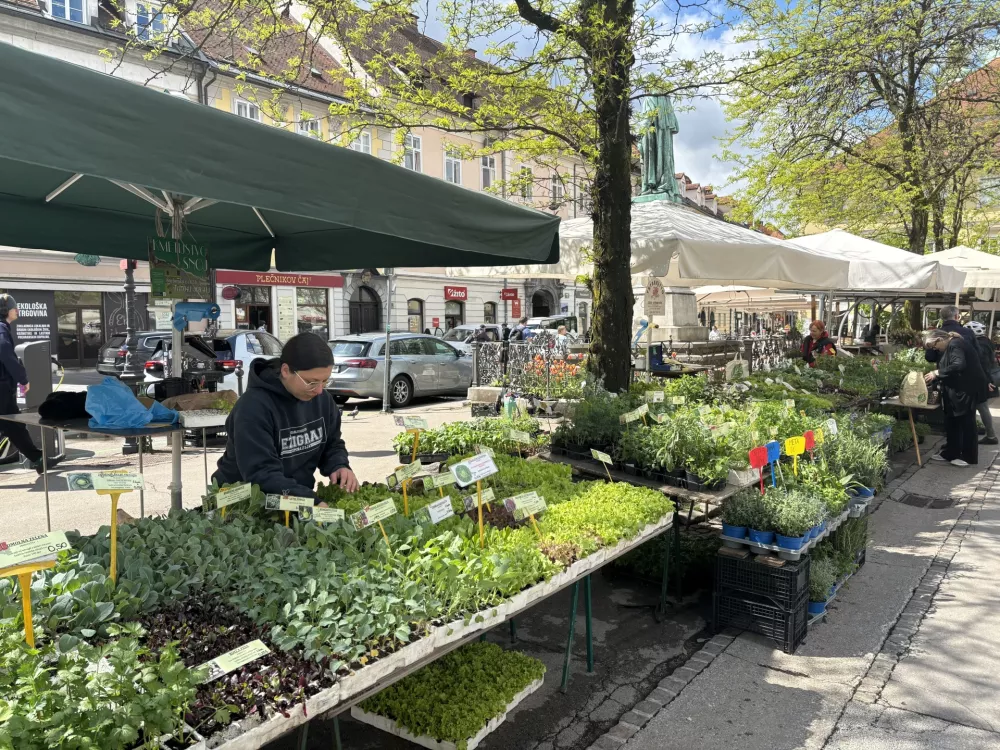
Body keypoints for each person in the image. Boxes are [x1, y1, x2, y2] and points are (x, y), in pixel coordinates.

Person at [213, 332, 358, 497]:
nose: (319, 390)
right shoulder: (252, 408)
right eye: (311, 382)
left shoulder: (323, 400)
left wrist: (339, 465)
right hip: (242, 502)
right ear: (286, 370)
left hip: (295, 496)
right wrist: (311, 503)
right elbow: (262, 474)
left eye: (325, 381)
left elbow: (332, 444)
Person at [924, 328, 988, 466]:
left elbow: (959, 364)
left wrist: (937, 373)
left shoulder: (955, 344)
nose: (935, 349)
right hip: (957, 388)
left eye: (934, 346)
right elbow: (936, 360)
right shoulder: (950, 345)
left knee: (965, 421)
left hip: (967, 389)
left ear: (940, 340)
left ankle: (968, 457)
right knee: (952, 420)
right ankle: (951, 452)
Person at [0, 294, 46, 473]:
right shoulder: (1, 329)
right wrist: (23, 378)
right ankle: (37, 458)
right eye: (14, 307)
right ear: (6, 310)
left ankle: (37, 458)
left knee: (13, 425)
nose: (17, 310)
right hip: (2, 387)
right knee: (12, 424)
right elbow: (4, 351)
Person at [967, 321, 999, 445]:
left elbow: (983, 365)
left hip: (982, 381)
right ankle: (988, 435)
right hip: (986, 379)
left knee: (982, 407)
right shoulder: (986, 342)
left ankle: (991, 436)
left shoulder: (980, 345)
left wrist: (986, 381)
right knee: (982, 407)